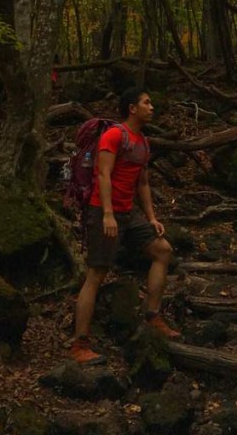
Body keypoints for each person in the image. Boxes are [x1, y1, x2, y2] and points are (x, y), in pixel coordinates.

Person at [70, 87, 181, 365]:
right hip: (103, 211)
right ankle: (80, 343)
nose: (152, 107)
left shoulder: (142, 141)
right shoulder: (114, 135)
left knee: (162, 251)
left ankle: (152, 315)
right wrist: (107, 214)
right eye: (147, 102)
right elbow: (103, 174)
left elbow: (142, 182)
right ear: (132, 108)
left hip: (129, 213)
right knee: (96, 273)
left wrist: (152, 217)